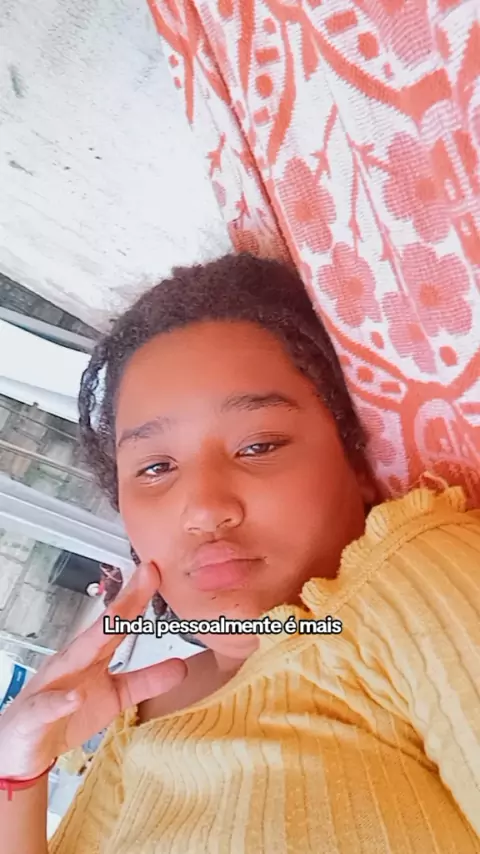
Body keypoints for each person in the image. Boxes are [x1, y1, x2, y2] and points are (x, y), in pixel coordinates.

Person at [0, 252, 479, 854]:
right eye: (156, 467)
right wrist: (18, 774)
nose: (203, 509)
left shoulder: (416, 588)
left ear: (356, 461)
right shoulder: (131, 719)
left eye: (259, 446)